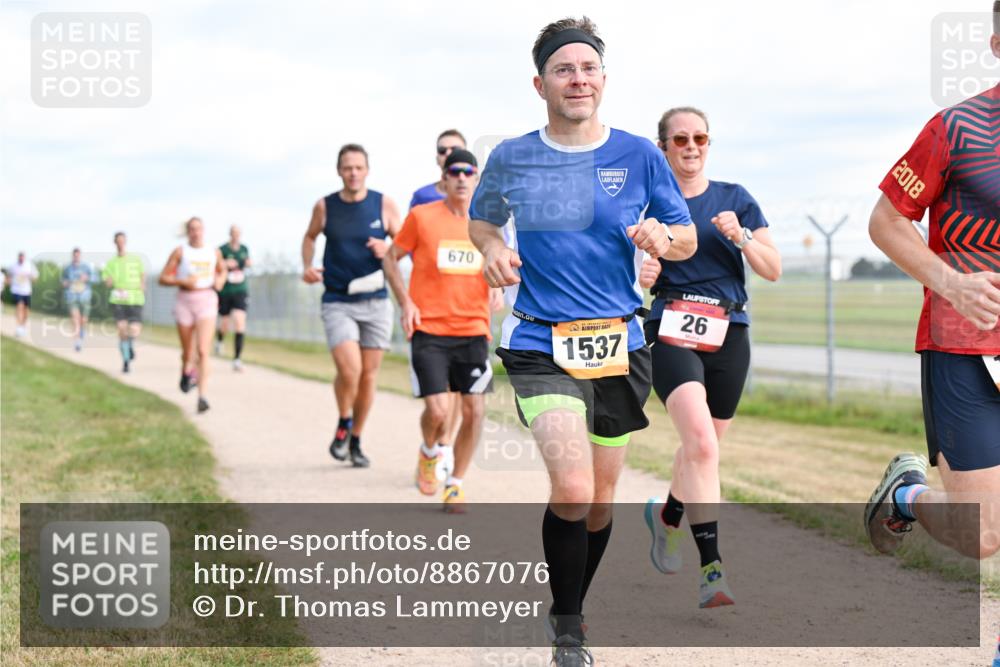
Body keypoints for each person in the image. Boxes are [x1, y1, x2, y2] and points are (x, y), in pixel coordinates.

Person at [469, 17, 696, 666]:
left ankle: (572, 603)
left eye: (589, 68)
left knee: (599, 501)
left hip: (618, 342)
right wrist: (490, 251)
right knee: (570, 487)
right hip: (540, 339)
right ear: (540, 83)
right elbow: (482, 221)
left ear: (603, 79)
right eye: (564, 69)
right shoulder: (512, 155)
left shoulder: (639, 155)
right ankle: (568, 631)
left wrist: (664, 240)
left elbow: (682, 236)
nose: (578, 79)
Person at [864, 4, 1000, 564]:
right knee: (982, 535)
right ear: (995, 45)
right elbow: (886, 221)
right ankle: (906, 496)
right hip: (966, 347)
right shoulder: (955, 128)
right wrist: (952, 283)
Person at [641, 107, 782, 609]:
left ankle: (666, 516)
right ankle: (712, 569)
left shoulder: (735, 199)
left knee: (704, 450)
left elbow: (772, 268)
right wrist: (643, 273)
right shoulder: (649, 207)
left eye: (699, 137)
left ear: (709, 142)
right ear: (664, 147)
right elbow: (625, 274)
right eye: (679, 139)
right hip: (672, 327)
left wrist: (740, 236)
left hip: (730, 331)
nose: (691, 146)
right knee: (700, 444)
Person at [384, 148, 502, 512]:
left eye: (469, 172)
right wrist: (405, 302)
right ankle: (430, 451)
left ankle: (455, 483)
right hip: (430, 330)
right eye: (456, 172)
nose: (462, 178)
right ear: (445, 178)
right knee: (437, 412)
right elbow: (391, 258)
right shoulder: (421, 217)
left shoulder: (489, 225)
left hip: (473, 329)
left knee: (475, 412)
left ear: (477, 179)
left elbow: (502, 259)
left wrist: (498, 283)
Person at [302, 143, 401, 469]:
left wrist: (387, 247)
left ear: (367, 170)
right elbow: (310, 237)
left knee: (368, 377)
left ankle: (355, 439)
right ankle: (344, 419)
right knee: (350, 371)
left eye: (359, 167)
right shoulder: (325, 206)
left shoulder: (383, 204)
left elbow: (405, 246)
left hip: (375, 301)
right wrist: (308, 265)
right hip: (338, 300)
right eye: (347, 168)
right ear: (339, 171)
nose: (353, 173)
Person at [407, 128, 470, 485]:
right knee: (439, 397)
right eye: (444, 151)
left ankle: (445, 446)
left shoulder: (477, 198)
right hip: (430, 311)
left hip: (468, 310)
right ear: (437, 158)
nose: (451, 156)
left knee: (464, 393)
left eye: (457, 151)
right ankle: (435, 444)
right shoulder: (422, 198)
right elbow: (413, 244)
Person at [159, 217, 227, 413]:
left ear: (203, 230)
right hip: (185, 300)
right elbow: (163, 278)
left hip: (206, 299)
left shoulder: (214, 252)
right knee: (188, 351)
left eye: (198, 229)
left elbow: (222, 271)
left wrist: (220, 281)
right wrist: (182, 281)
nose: (195, 233)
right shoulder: (181, 252)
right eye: (192, 229)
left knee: (203, 350)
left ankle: (202, 396)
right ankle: (186, 371)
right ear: (188, 232)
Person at [102, 232, 145, 373]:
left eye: (122, 241)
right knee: (122, 330)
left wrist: (142, 285)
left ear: (125, 242)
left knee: (133, 330)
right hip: (118, 299)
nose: (120, 243)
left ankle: (130, 347)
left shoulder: (135, 259)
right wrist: (109, 281)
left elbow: (142, 274)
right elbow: (106, 280)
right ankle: (126, 361)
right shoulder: (111, 263)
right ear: (115, 243)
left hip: (135, 299)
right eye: (118, 241)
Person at [216, 224, 252, 371]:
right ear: (230, 234)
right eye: (233, 233)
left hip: (240, 289)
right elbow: (217, 265)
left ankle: (237, 359)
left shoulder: (244, 249)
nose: (236, 235)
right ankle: (220, 340)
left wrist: (242, 263)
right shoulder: (222, 249)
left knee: (239, 321)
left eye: (238, 233)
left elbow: (249, 262)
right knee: (224, 323)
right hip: (225, 290)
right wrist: (225, 263)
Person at [62, 248, 93, 352]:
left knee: (83, 320)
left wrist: (87, 278)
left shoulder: (86, 267)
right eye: (74, 255)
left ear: (80, 256)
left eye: (78, 255)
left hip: (85, 296)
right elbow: (63, 280)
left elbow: (96, 278)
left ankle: (81, 333)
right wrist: (65, 283)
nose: (76, 257)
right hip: (72, 296)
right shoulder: (67, 268)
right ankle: (77, 342)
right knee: (75, 319)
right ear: (72, 256)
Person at [5, 252, 38, 338]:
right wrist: (8, 281)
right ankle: (19, 327)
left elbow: (35, 278)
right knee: (19, 306)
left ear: (24, 258)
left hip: (26, 291)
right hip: (16, 290)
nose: (21, 259)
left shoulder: (29, 266)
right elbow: (8, 276)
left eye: (22, 258)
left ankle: (22, 326)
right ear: (18, 258)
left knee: (26, 311)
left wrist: (29, 277)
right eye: (20, 258)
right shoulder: (13, 266)